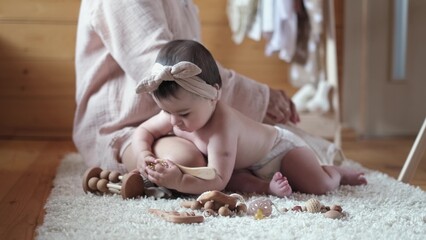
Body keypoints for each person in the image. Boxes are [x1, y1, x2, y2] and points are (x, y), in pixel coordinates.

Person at [73, 0, 299, 174]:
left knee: (289, 146)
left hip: (182, 116)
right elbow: (159, 66)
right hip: (123, 123)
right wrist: (260, 97)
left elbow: (193, 63)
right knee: (187, 162)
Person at [133, 39, 367, 197]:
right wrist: (144, 154)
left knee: (317, 186)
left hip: (279, 152)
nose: (173, 123)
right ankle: (269, 187)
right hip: (243, 165)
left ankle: (334, 173)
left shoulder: (222, 128)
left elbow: (217, 181)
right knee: (240, 184)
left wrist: (179, 182)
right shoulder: (177, 113)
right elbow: (143, 132)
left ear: (213, 96)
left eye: (183, 114)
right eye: (168, 112)